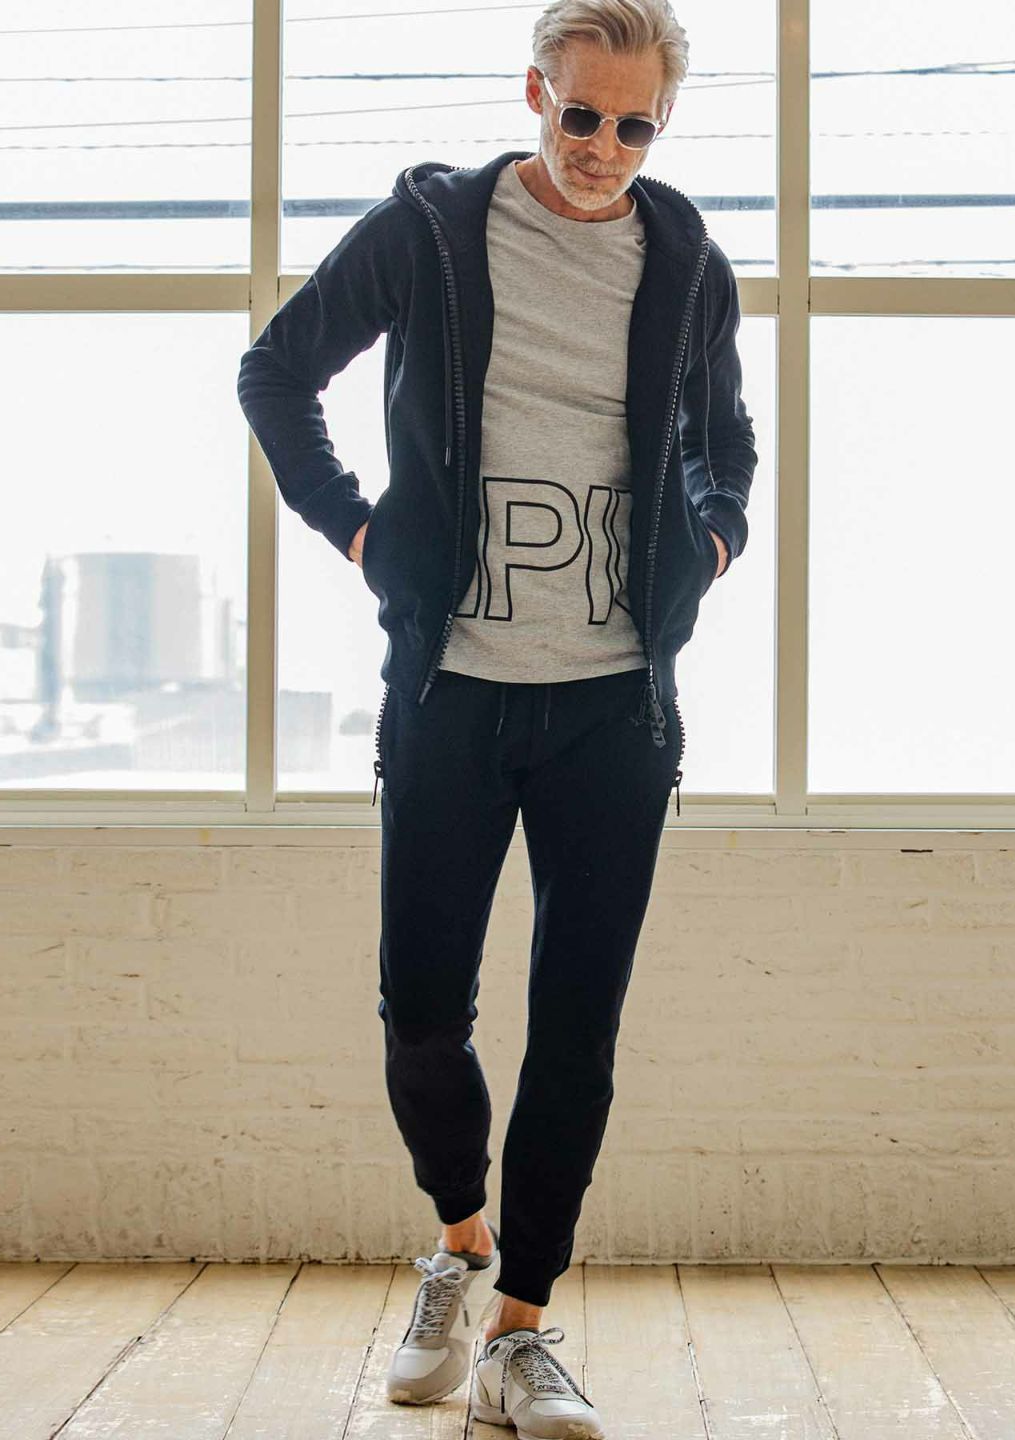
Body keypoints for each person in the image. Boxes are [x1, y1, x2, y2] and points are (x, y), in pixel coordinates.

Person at [237, 0, 757, 1430]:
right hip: (451, 693)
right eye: (581, 115)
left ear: (662, 124)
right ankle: (462, 1245)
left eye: (635, 126)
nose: (603, 149)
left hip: (614, 708)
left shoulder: (688, 262)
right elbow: (275, 371)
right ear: (535, 91)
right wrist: (360, 533)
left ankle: (522, 1332)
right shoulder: (428, 233)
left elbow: (724, 438)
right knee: (422, 1014)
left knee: (576, 1031)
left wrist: (714, 541)